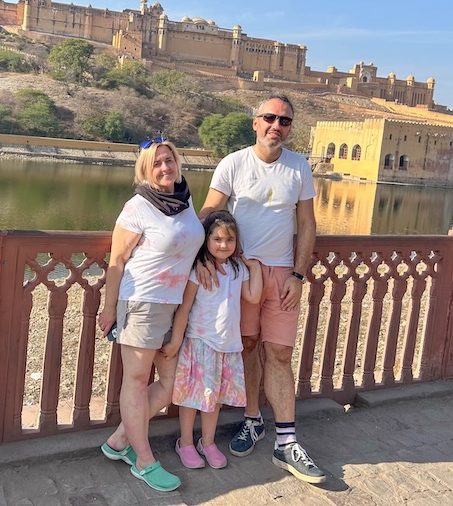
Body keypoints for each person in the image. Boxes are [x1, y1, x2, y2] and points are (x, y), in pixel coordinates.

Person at [198, 93, 325, 484]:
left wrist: (299, 276)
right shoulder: (233, 163)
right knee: (248, 346)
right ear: (255, 122)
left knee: (281, 353)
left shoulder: (299, 166)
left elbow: (306, 225)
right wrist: (200, 256)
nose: (277, 126)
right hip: (241, 273)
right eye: (270, 118)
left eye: (284, 121)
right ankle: (253, 419)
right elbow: (210, 213)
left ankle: (286, 442)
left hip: (284, 274)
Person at [97, 138, 205, 493]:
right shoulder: (137, 207)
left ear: (177, 163)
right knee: (137, 380)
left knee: (169, 385)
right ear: (145, 170)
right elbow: (117, 261)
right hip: (141, 302)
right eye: (156, 163)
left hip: (173, 306)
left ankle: (118, 441)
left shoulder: (185, 199)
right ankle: (143, 461)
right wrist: (109, 308)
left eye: (169, 160)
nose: (164, 168)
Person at [162, 210, 263, 470]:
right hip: (200, 342)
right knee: (192, 398)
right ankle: (185, 442)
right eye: (217, 239)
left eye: (229, 240)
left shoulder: (237, 269)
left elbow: (252, 296)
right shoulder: (200, 271)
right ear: (206, 240)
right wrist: (175, 341)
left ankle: (207, 442)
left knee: (213, 399)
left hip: (226, 346)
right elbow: (184, 308)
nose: (223, 245)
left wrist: (256, 268)